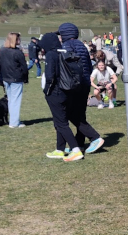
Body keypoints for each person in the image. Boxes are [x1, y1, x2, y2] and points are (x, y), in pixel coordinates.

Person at [58, 23, 104, 154]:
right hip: (84, 83)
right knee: (80, 113)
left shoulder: (66, 46)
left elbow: (67, 67)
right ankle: (80, 143)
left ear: (65, 34)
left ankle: (95, 137)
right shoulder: (82, 46)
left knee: (72, 114)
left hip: (73, 85)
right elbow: (89, 66)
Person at [40, 32, 83, 162]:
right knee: (59, 121)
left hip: (55, 93)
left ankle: (75, 150)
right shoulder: (63, 53)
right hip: (67, 91)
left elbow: (50, 76)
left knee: (61, 123)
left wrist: (47, 91)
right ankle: (60, 149)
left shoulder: (50, 55)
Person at [0, 32, 28, 128]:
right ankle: (14, 123)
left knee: (11, 100)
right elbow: (24, 67)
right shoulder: (17, 52)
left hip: (6, 78)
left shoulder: (1, 50)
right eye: (18, 39)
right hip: (16, 78)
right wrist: (25, 77)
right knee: (15, 100)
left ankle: (14, 120)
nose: (20, 41)